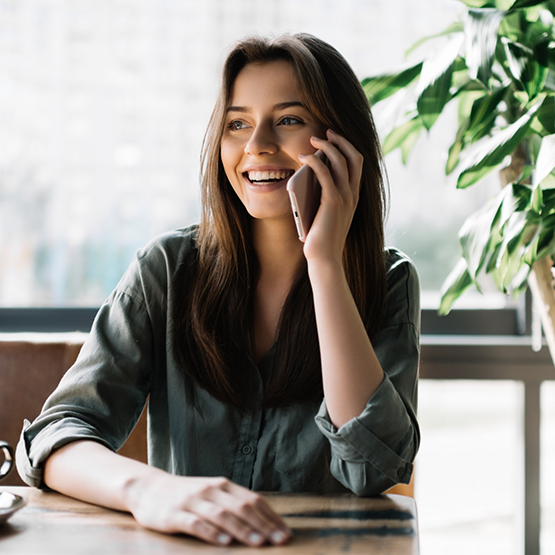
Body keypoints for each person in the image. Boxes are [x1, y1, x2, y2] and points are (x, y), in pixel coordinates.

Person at [16, 33, 420, 547]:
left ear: (340, 141)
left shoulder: (388, 281)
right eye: (238, 123)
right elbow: (56, 434)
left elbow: (372, 466)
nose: (257, 146)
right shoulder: (167, 269)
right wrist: (149, 489)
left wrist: (324, 261)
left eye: (289, 120)